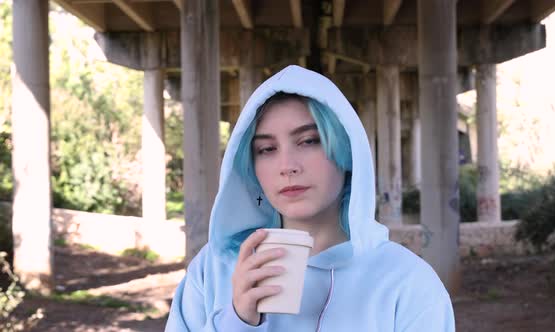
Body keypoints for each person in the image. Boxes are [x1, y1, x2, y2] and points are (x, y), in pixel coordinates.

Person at [165, 65, 455, 331]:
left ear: (346, 150)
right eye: (266, 149)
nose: (287, 165)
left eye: (309, 141)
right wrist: (236, 321)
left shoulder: (408, 282)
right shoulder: (212, 269)